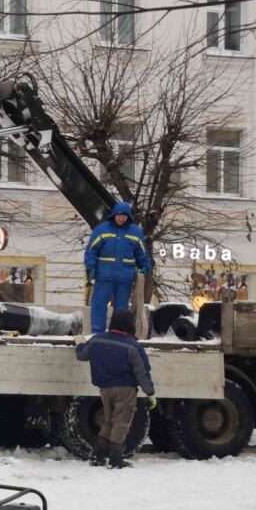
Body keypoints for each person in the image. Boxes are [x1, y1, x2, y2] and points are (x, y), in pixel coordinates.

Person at [75, 307, 155, 469]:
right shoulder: (133, 346)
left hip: (105, 389)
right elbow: (142, 372)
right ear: (129, 325)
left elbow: (82, 355)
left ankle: (98, 455)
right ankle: (115, 458)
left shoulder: (97, 340)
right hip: (125, 389)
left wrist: (79, 343)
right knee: (121, 423)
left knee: (109, 421)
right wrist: (150, 393)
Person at [85, 201, 151, 332]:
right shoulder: (102, 230)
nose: (121, 219)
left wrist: (145, 265)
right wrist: (90, 266)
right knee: (99, 306)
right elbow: (91, 250)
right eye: (119, 216)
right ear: (114, 215)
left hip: (124, 279)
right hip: (104, 277)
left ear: (128, 217)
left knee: (121, 310)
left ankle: (118, 333)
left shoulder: (135, 233)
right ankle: (97, 334)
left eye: (124, 216)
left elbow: (142, 253)